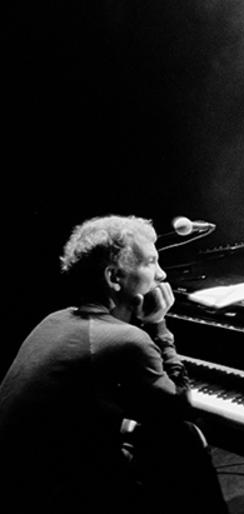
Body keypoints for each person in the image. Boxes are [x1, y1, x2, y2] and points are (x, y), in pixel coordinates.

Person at [0, 215, 228, 514]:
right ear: (113, 278)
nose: (161, 275)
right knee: (183, 438)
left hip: (17, 481)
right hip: (56, 492)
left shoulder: (53, 320)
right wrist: (158, 325)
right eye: (150, 262)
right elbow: (180, 406)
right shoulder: (127, 339)